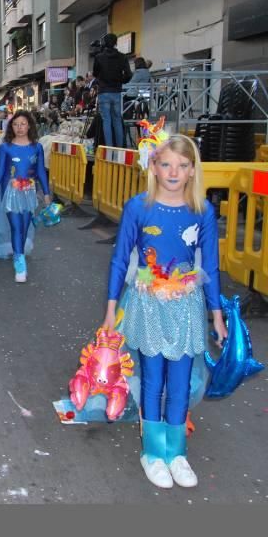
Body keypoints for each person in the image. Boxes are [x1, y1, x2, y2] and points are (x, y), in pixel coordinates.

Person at [101, 135, 226, 489]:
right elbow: (120, 258)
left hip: (186, 306)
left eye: (182, 165)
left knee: (181, 382)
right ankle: (153, 453)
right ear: (153, 167)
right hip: (149, 303)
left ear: (192, 170)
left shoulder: (202, 210)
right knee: (154, 379)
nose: (174, 171)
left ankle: (177, 452)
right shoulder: (138, 207)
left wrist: (216, 314)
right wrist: (111, 310)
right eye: (166, 164)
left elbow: (211, 267)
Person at [0, 110, 50, 282]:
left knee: (24, 228)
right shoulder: (5, 148)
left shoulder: (37, 147)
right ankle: (20, 264)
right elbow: (0, 171)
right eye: (15, 124)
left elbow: (40, 172)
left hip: (29, 193)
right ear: (11, 127)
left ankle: (19, 253)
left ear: (29, 125)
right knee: (16, 227)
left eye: (23, 124)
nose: (19, 127)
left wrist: (46, 193)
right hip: (11, 193)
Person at [92, 33, 132, 148]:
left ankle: (109, 147)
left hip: (104, 91)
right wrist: (121, 81)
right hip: (116, 91)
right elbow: (129, 74)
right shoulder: (123, 57)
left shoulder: (99, 57)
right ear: (116, 43)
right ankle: (119, 147)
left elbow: (95, 73)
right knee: (117, 119)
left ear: (104, 43)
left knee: (106, 120)